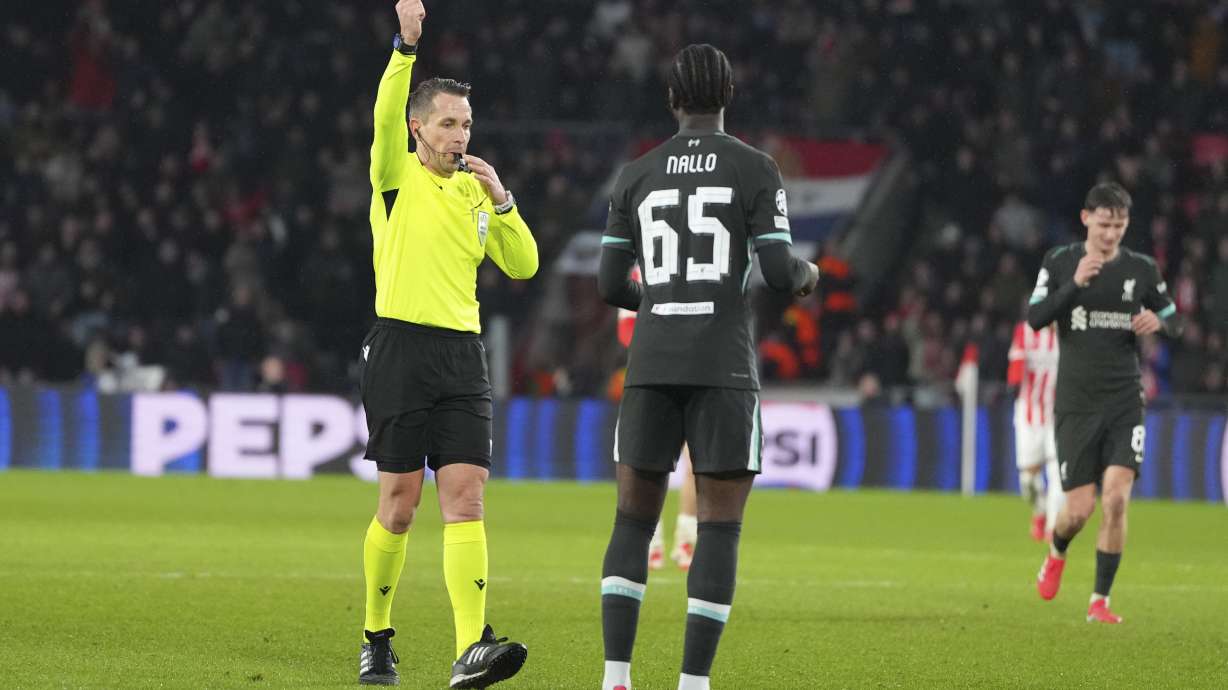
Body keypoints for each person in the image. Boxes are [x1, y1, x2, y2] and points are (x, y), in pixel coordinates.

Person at [596, 44, 819, 690]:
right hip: (722, 364)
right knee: (719, 529)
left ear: (671, 99)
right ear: (728, 97)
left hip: (651, 363)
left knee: (632, 522)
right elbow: (778, 271)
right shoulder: (755, 168)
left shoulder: (635, 174)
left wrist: (661, 303)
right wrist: (807, 274)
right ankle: (692, 683)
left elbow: (610, 284)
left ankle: (615, 678)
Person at [356, 1, 536, 686]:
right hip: (400, 349)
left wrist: (503, 201)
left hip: (463, 355)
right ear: (418, 128)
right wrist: (405, 48)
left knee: (466, 497)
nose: (460, 136)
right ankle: (377, 635)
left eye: (465, 124)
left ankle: (469, 650)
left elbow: (523, 265)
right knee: (400, 505)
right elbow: (383, 116)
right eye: (447, 123)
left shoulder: (475, 194)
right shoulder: (395, 176)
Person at [1027, 182, 1181, 624]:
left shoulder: (1142, 269)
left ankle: (1100, 601)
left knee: (1115, 500)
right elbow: (1036, 318)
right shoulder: (1059, 262)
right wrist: (1074, 284)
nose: (1111, 234)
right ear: (1086, 219)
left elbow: (1175, 319)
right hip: (1076, 401)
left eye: (1119, 226)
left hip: (1124, 400)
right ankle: (1057, 551)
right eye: (1104, 224)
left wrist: (1160, 323)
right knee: (1078, 510)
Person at [617, 268, 699, 571]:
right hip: (651, 376)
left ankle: (686, 540)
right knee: (649, 464)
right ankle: (651, 540)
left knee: (697, 461)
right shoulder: (640, 270)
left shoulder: (693, 262)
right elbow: (626, 328)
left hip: (694, 372)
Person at [1006, 319, 1062, 541]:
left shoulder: (1070, 331)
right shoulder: (1025, 331)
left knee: (1057, 474)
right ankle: (1040, 510)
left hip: (1059, 415)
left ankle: (1053, 528)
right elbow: (1015, 372)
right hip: (1029, 414)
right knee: (1027, 481)